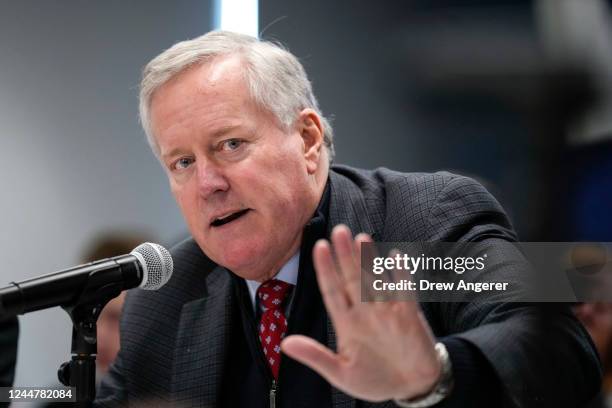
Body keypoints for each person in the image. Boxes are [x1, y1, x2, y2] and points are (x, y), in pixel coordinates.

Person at [95, 31, 600, 407]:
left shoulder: (416, 227)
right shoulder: (169, 292)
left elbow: (553, 345)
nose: (208, 184)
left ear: (309, 141)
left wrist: (434, 375)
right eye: (182, 162)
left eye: (230, 145)